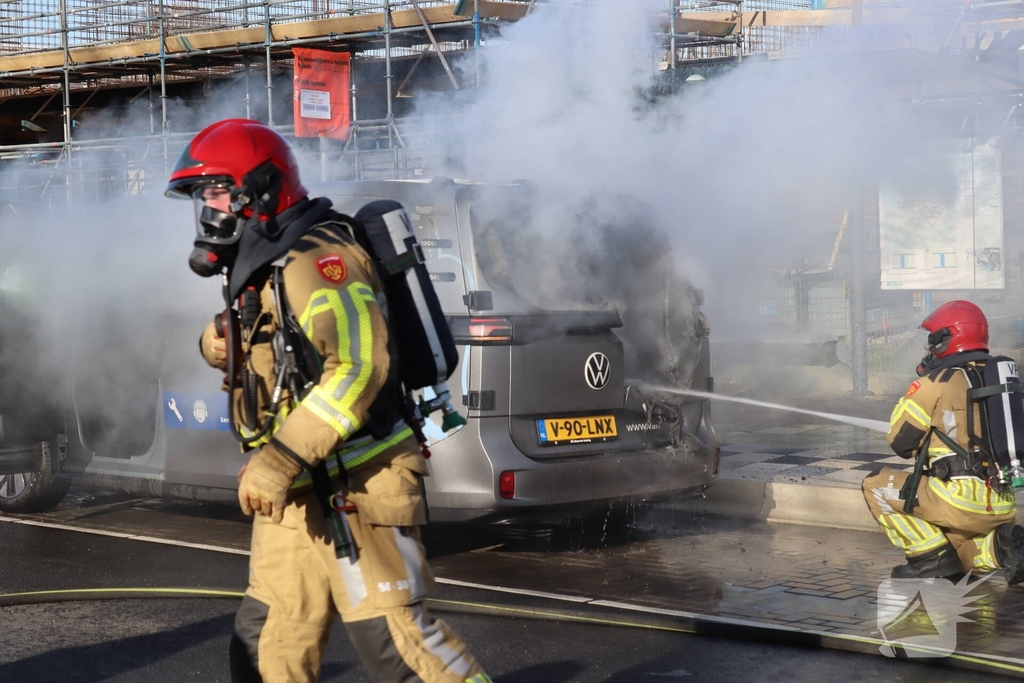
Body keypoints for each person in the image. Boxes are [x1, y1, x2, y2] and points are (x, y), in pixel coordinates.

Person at [166, 118, 491, 683]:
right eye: (202, 197)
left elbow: (360, 367)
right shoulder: (267, 264)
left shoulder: (318, 261)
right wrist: (217, 340)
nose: (208, 210)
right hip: (297, 494)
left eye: (216, 192)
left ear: (258, 192)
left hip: (361, 484)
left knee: (397, 645)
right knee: (270, 639)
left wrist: (280, 458)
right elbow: (270, 355)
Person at [862, 300, 1024, 582]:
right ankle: (1000, 548)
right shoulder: (1002, 382)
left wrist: (918, 389)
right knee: (957, 554)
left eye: (933, 339)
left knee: (874, 484)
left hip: (956, 499)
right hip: (1002, 502)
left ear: (945, 340)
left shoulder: (937, 382)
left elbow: (901, 443)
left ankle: (928, 560)